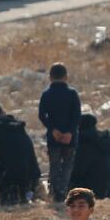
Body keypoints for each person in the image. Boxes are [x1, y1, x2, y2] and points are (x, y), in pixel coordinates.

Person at [37, 63, 81, 203]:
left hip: (53, 137)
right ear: (66, 77)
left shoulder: (46, 94)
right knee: (67, 165)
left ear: (50, 77)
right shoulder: (72, 94)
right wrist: (69, 132)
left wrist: (53, 129)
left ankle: (54, 192)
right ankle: (63, 191)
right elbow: (76, 115)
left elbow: (42, 115)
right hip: (70, 137)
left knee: (54, 165)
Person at [67, 114, 110, 199]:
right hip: (108, 186)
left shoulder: (84, 143)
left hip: (90, 189)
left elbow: (79, 171)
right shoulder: (103, 140)